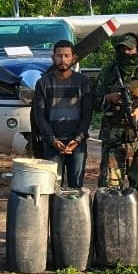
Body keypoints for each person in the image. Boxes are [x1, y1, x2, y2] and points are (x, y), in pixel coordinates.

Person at [95, 32, 138, 193]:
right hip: (113, 135)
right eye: (122, 49)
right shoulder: (108, 72)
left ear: (137, 49)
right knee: (109, 186)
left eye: (130, 49)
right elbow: (95, 100)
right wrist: (109, 98)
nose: (126, 53)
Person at [32, 40, 93, 188]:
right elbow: (39, 115)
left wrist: (77, 139)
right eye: (59, 56)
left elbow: (87, 114)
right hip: (52, 145)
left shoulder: (83, 82)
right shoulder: (43, 83)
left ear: (74, 58)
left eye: (67, 55)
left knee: (76, 188)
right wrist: (52, 140)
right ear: (53, 58)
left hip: (76, 145)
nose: (63, 60)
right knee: (52, 187)